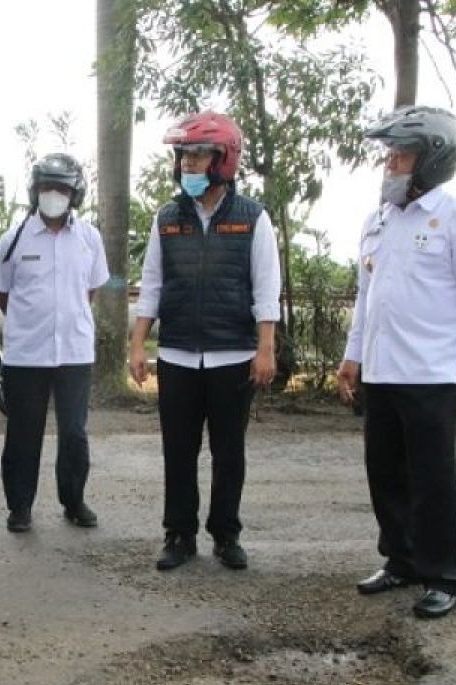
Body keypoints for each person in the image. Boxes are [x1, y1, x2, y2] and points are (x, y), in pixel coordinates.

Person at [335, 106, 456, 620]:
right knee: (385, 472)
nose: (390, 163)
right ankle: (400, 561)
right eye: (389, 154)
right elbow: (366, 297)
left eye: (400, 154)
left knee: (433, 479)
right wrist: (351, 357)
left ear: (432, 160)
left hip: (431, 373)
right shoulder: (377, 220)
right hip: (381, 371)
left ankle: (443, 574)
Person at [128, 112, 281, 572]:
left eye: (198, 155)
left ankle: (226, 533)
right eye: (184, 156)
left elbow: (265, 288)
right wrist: (138, 345)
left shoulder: (253, 218)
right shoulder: (167, 218)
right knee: (178, 449)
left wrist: (265, 348)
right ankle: (179, 534)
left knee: (228, 451)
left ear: (224, 160)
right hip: (176, 354)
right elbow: (151, 284)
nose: (189, 164)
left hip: (233, 355)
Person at [0, 153, 109, 534]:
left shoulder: (89, 238)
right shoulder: (15, 238)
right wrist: (33, 320)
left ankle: (74, 501)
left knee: (73, 431)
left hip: (73, 351)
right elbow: (2, 293)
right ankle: (19, 507)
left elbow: (89, 290)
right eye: (46, 187)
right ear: (34, 191)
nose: (53, 194)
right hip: (27, 353)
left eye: (61, 188)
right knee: (24, 430)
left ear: (74, 193)